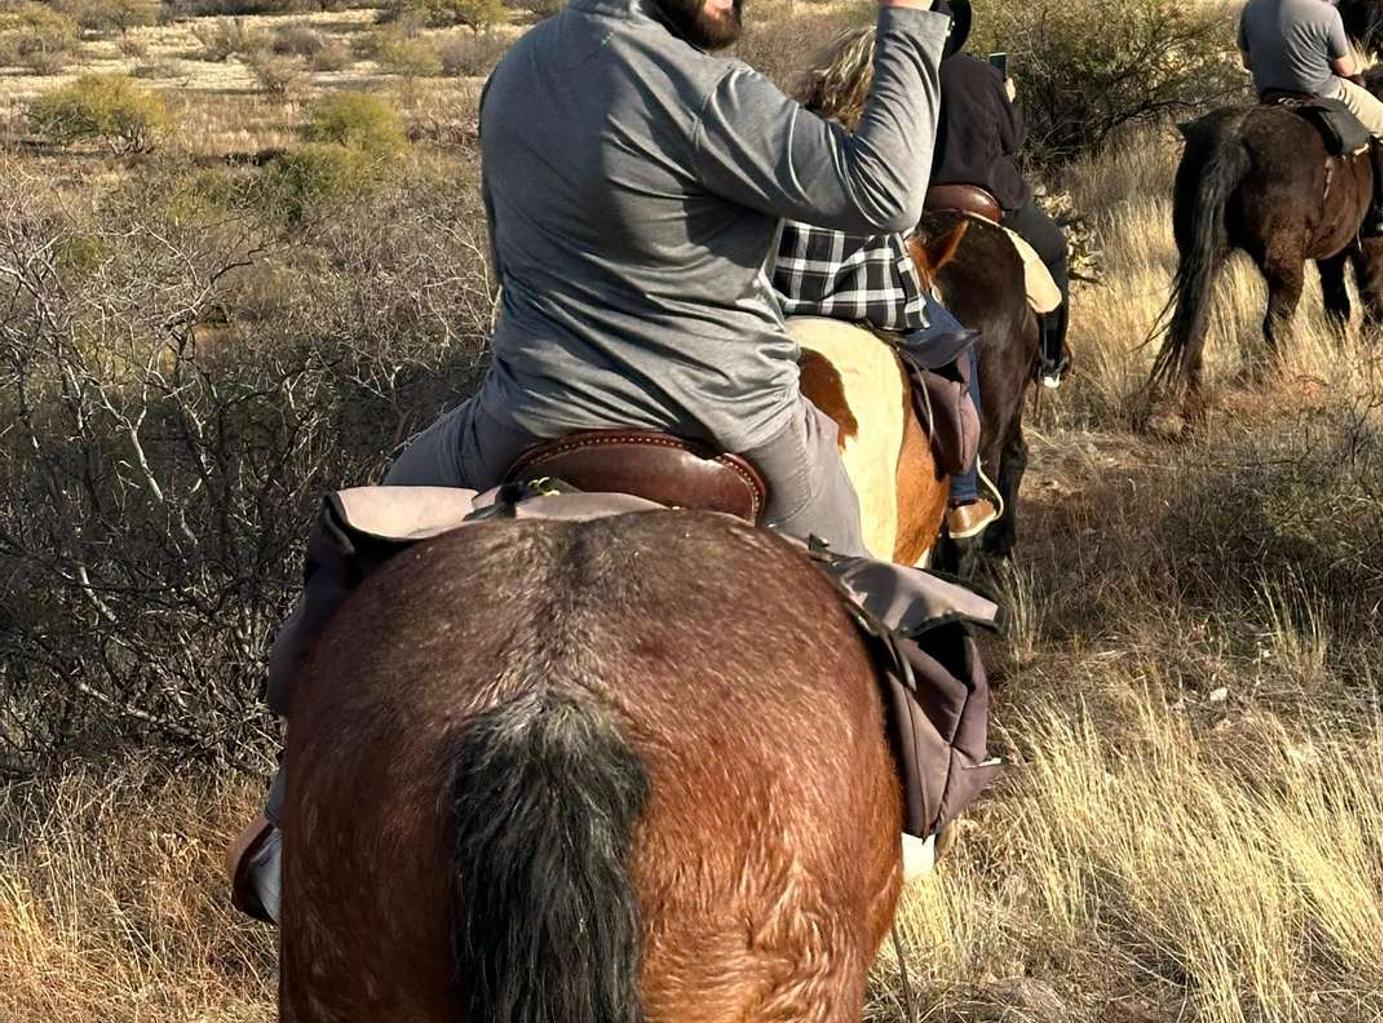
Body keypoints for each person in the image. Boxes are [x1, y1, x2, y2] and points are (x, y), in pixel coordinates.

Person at [230, 0, 958, 924]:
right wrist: (910, 26)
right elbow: (882, 194)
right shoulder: (708, 91)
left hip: (526, 414)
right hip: (738, 427)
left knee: (364, 536)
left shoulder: (515, 76)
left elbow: (509, 258)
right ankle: (901, 816)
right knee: (864, 608)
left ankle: (293, 818)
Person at [776, 27, 1001, 539]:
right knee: (957, 356)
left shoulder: (791, 133)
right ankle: (964, 496)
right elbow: (897, 232)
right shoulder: (883, 146)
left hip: (783, 302)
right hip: (871, 301)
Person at [927, 1, 1072, 387]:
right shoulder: (980, 73)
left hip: (921, 205)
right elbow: (1013, 142)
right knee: (1055, 249)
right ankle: (1051, 360)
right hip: (990, 200)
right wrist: (1007, 98)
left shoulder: (903, 75)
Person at [1238, 0, 1383, 233]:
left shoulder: (1251, 8)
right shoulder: (1326, 13)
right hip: (1321, 92)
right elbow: (1347, 70)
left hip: (1269, 93)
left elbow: (1247, 62)